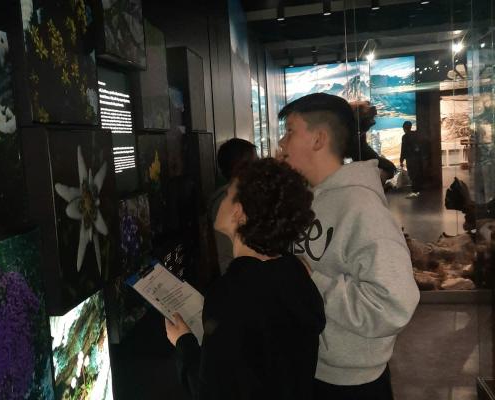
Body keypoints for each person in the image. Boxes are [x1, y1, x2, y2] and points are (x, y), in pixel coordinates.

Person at [277, 93, 419, 400]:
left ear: (318, 139)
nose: (281, 142)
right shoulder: (310, 198)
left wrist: (309, 281)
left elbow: (393, 305)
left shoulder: (361, 208)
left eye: (289, 131)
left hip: (352, 384)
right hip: (313, 365)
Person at [166, 158, 326, 399]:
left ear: (239, 213)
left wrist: (183, 342)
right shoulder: (295, 272)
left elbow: (212, 392)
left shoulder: (231, 293)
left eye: (227, 194)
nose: (220, 200)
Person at [208, 138, 257, 275]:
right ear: (241, 166)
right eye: (255, 162)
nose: (259, 167)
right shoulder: (226, 200)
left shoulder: (245, 194)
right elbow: (225, 253)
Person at [347, 100, 397, 184]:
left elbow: (362, 150)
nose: (374, 122)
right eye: (371, 118)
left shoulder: (358, 134)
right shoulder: (349, 134)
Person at [399, 121, 425, 198]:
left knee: (412, 175)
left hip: (410, 159)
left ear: (404, 128)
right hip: (418, 158)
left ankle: (415, 192)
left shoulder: (405, 137)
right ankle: (418, 191)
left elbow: (403, 149)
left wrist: (401, 160)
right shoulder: (416, 134)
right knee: (417, 174)